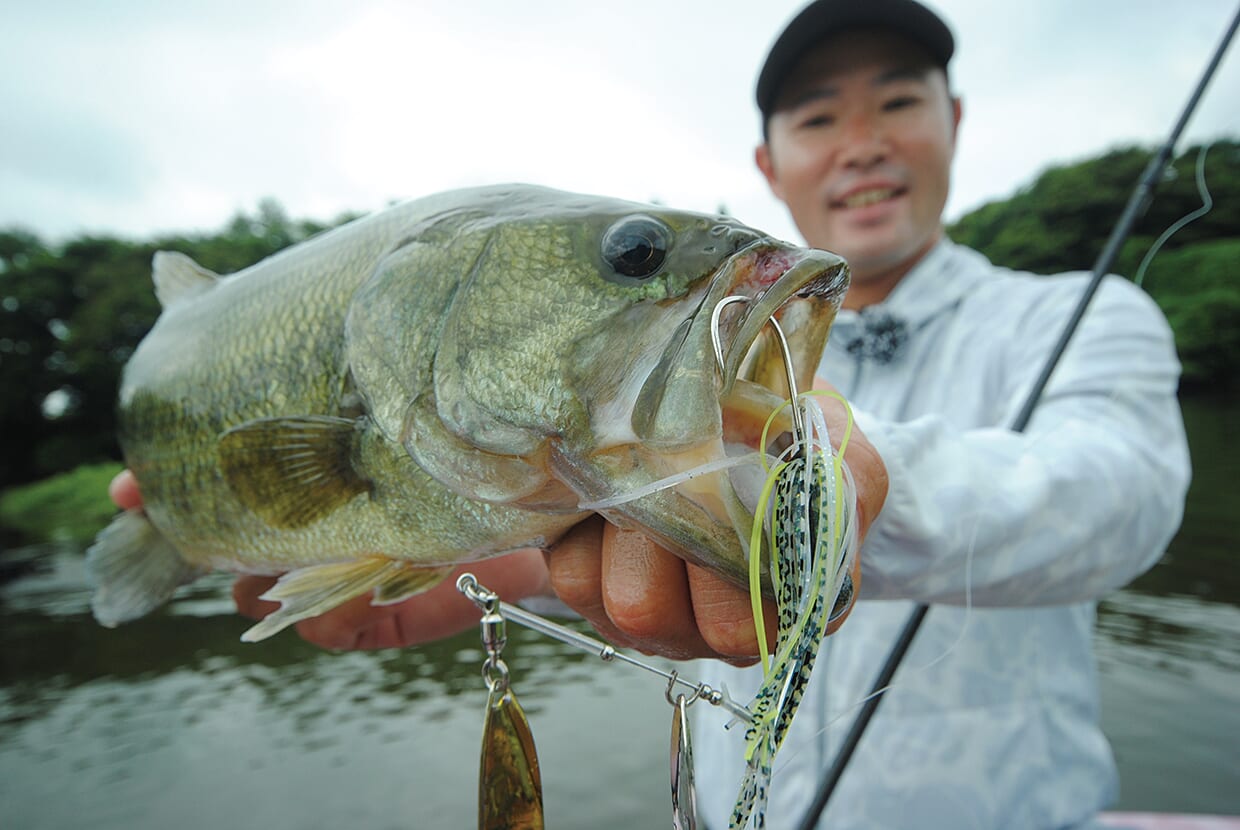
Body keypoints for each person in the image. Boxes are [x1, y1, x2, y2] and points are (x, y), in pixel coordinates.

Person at [109, 0, 1191, 826]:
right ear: (770, 162)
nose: (860, 142)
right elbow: (595, 496)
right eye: (819, 117)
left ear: (955, 122)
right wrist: (509, 567)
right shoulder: (648, 381)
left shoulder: (1089, 314)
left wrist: (815, 481)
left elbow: (1114, 498)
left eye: (898, 102)